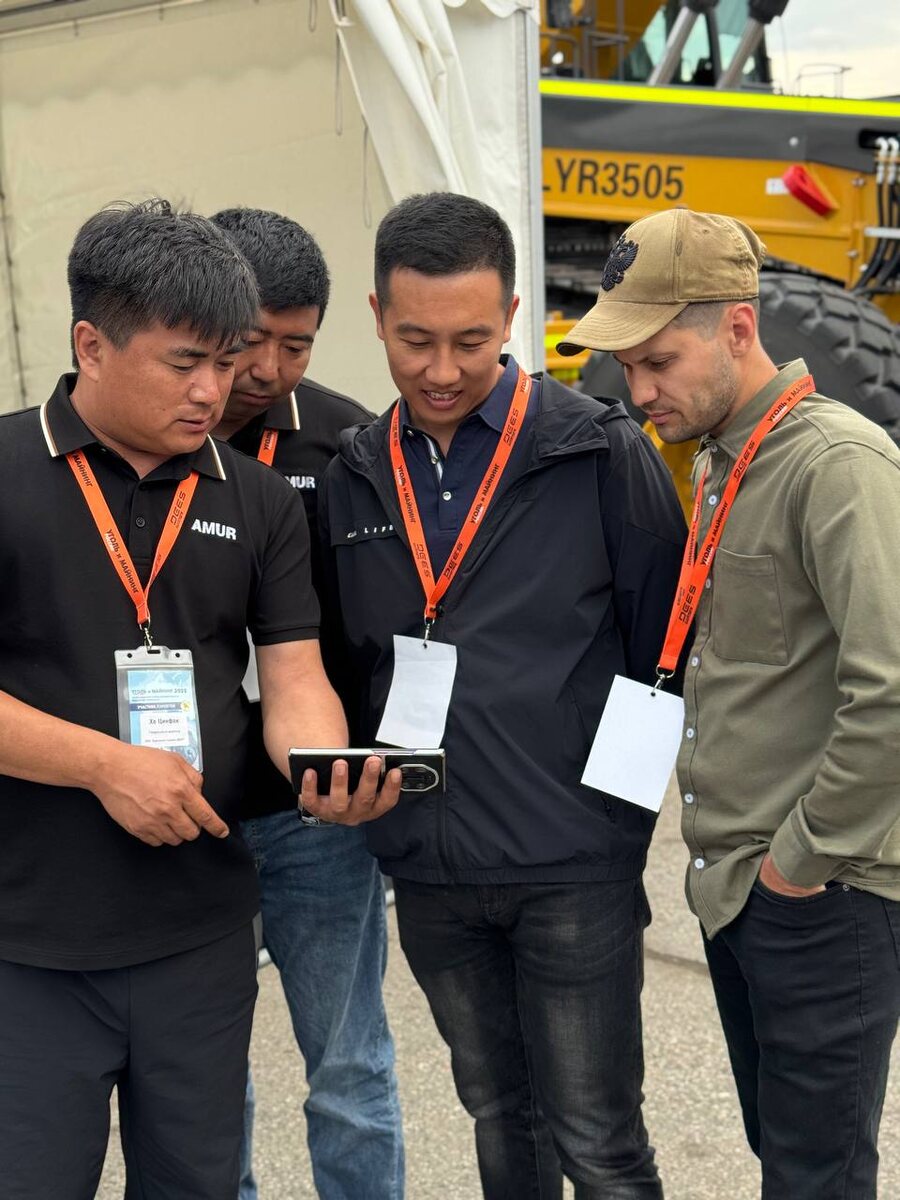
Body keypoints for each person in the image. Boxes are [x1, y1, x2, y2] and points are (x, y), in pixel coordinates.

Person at [0, 198, 399, 1200]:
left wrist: (323, 769)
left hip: (200, 932)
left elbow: (295, 675)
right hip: (30, 939)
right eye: (187, 363)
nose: (216, 390)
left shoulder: (254, 498)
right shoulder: (5, 474)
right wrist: (104, 765)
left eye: (226, 362)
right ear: (92, 345)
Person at [314, 192, 687, 1199]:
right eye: (415, 341)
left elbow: (664, 648)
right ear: (377, 317)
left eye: (471, 341)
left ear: (514, 315)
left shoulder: (595, 450)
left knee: (598, 1142)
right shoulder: (355, 473)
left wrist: (612, 827)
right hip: (431, 869)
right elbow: (349, 661)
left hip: (572, 870)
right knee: (499, 1120)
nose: (441, 371)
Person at [556, 206, 900, 1199]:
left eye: (659, 362)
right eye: (628, 367)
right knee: (785, 1156)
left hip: (822, 894)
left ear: (739, 329)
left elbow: (890, 693)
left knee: (816, 1176)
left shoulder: (836, 465)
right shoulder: (720, 458)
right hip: (747, 891)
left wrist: (798, 865)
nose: (639, 391)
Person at [209, 207, 404, 1200]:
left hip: (314, 814)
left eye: (297, 345)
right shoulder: (145, 438)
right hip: (187, 812)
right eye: (252, 341)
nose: (269, 370)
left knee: (350, 1069)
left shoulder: (346, 446)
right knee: (206, 1079)